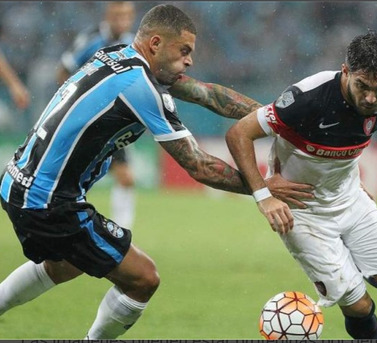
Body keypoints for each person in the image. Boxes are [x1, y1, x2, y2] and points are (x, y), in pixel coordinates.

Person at [0, 4, 312, 339]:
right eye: (184, 51)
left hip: (17, 183)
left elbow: (206, 94)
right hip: (48, 202)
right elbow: (201, 167)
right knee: (143, 279)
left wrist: (276, 118)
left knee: (67, 263)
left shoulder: (117, 54)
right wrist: (263, 189)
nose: (189, 60)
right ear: (156, 44)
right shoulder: (140, 86)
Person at [226, 31, 377, 339]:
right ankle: (344, 280)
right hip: (303, 213)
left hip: (350, 200)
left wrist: (351, 181)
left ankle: (348, 268)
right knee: (358, 306)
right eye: (363, 86)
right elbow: (239, 133)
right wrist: (263, 195)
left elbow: (342, 148)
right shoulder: (307, 98)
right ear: (345, 71)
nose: (371, 97)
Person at [57, 1, 137, 229]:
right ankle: (71, 225)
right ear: (108, 15)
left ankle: (122, 231)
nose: (122, 20)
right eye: (117, 15)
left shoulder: (133, 43)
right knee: (74, 180)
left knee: (126, 178)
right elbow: (63, 70)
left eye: (126, 16)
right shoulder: (90, 39)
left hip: (111, 123)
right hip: (83, 121)